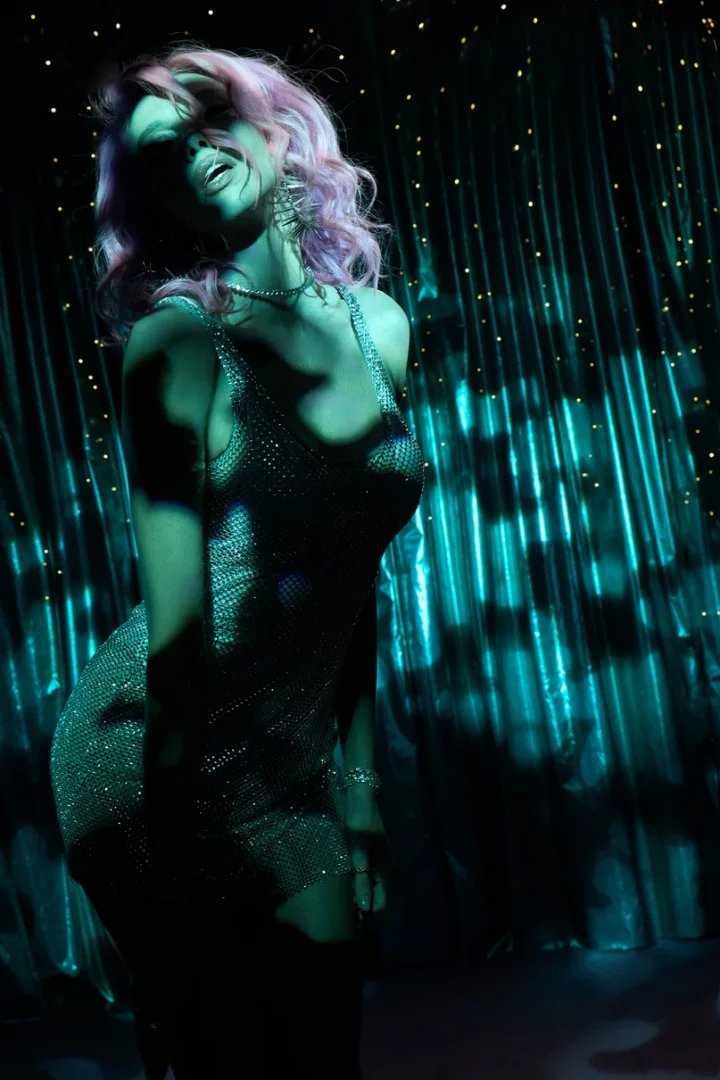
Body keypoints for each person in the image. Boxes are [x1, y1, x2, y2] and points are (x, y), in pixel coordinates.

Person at [49, 43, 424, 1079]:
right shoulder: (174, 349)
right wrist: (167, 905)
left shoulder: (381, 327)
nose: (195, 154)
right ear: (158, 202)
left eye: (207, 122)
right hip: (151, 759)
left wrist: (358, 785)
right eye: (161, 155)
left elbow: (350, 578)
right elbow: (177, 644)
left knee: (324, 1055)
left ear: (272, 128)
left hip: (287, 761)